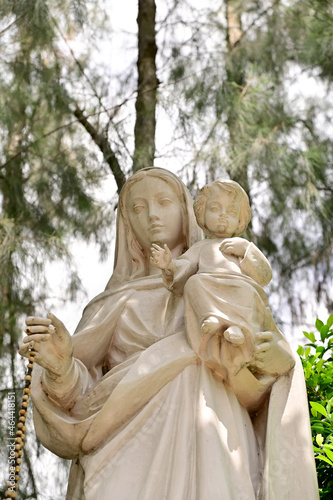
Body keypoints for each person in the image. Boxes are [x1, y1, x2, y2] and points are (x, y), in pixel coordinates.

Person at [19, 168, 318, 500]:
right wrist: (61, 368)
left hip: (214, 432)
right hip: (125, 447)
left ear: (186, 209)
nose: (152, 215)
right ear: (127, 225)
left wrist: (280, 363)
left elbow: (258, 376)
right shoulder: (114, 302)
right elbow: (80, 399)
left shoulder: (224, 284)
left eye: (163, 202)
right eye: (137, 208)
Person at [150, 179, 277, 368]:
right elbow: (184, 267)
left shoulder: (244, 246)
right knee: (194, 284)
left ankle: (239, 328)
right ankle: (212, 319)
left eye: (231, 212)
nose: (223, 216)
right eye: (215, 209)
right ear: (203, 214)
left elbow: (264, 275)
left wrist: (245, 249)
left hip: (239, 285)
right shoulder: (201, 247)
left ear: (240, 220)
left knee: (247, 292)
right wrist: (169, 266)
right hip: (209, 284)